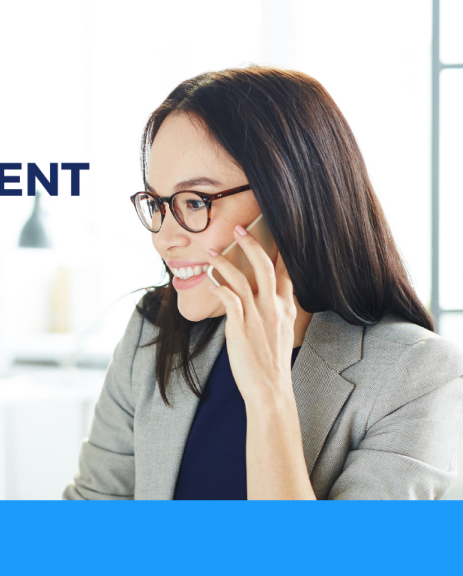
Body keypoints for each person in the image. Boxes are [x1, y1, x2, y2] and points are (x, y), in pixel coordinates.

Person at [64, 66, 463, 500]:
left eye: (195, 202)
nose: (163, 237)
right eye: (159, 204)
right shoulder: (153, 331)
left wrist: (268, 392)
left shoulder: (420, 379)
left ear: (286, 203)